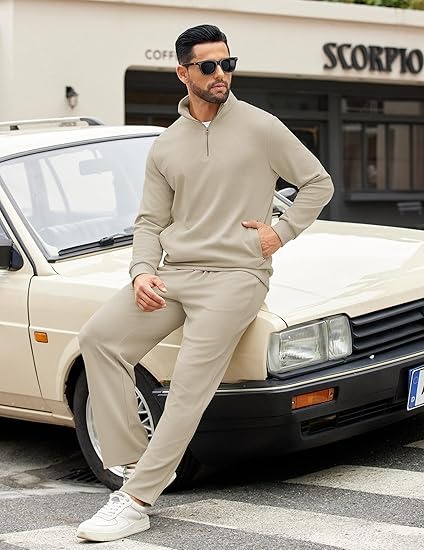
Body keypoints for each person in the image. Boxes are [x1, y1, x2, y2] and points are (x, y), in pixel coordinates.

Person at [76, 24, 334, 542]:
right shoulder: (166, 145)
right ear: (183, 72)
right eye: (209, 66)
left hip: (237, 276)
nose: (222, 74)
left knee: (189, 385)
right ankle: (134, 463)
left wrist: (279, 232)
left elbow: (317, 182)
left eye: (228, 63)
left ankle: (135, 501)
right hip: (176, 273)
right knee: (99, 339)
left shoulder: (261, 127)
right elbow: (150, 222)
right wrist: (142, 270)